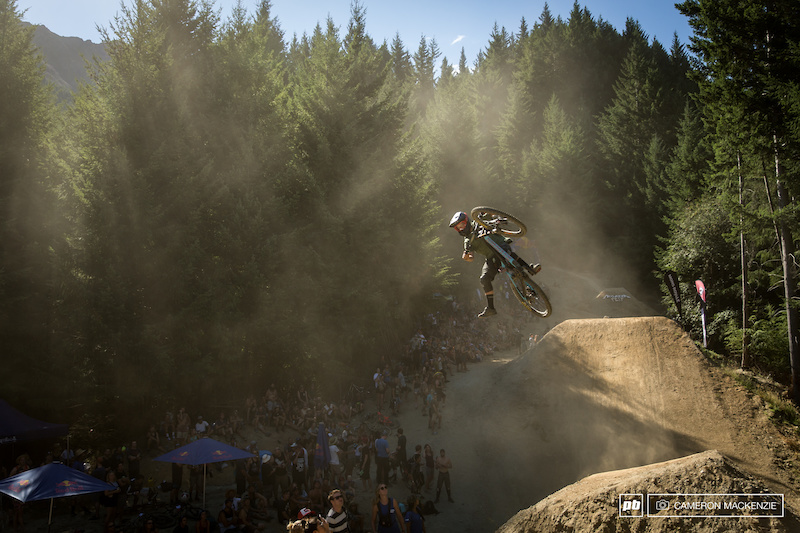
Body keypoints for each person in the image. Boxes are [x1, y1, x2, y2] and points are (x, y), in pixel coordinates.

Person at [449, 210, 536, 317]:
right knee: (484, 279)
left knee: (506, 253)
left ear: (466, 221)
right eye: (458, 227)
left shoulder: (478, 222)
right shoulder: (467, 241)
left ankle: (529, 268)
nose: (461, 228)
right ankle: (491, 308)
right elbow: (470, 257)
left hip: (501, 245)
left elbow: (490, 213)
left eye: (461, 224)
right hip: (491, 258)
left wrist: (491, 215)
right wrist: (466, 257)